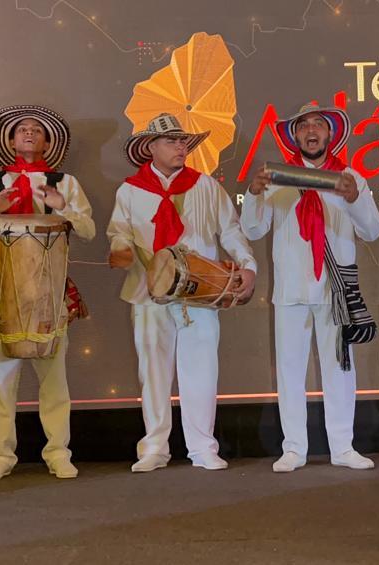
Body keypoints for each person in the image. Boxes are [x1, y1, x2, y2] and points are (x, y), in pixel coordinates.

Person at [0, 105, 95, 481]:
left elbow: (90, 230)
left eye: (36, 130)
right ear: (11, 140)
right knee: (2, 381)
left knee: (55, 382)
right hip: (5, 296)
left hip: (49, 295)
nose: (29, 133)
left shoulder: (65, 182)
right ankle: (2, 455)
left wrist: (65, 209)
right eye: (21, 129)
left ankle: (58, 452)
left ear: (47, 142)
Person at [107, 113, 257, 473]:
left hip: (200, 292)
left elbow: (231, 230)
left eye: (184, 142)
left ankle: (203, 447)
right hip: (148, 292)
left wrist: (247, 265)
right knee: (153, 371)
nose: (181, 147)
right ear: (150, 147)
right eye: (172, 141)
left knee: (201, 369)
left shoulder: (205, 185)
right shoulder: (130, 190)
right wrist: (121, 249)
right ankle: (155, 448)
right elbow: (118, 233)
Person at [242, 103, 379, 473]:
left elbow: (373, 230)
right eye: (303, 125)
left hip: (335, 290)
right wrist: (255, 194)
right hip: (290, 287)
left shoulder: (349, 176)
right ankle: (293, 448)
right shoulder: (276, 176)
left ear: (330, 133)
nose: (311, 131)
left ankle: (342, 447)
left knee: (340, 367)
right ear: (294, 135)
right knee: (290, 369)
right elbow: (254, 230)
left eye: (318, 124)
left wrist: (354, 198)